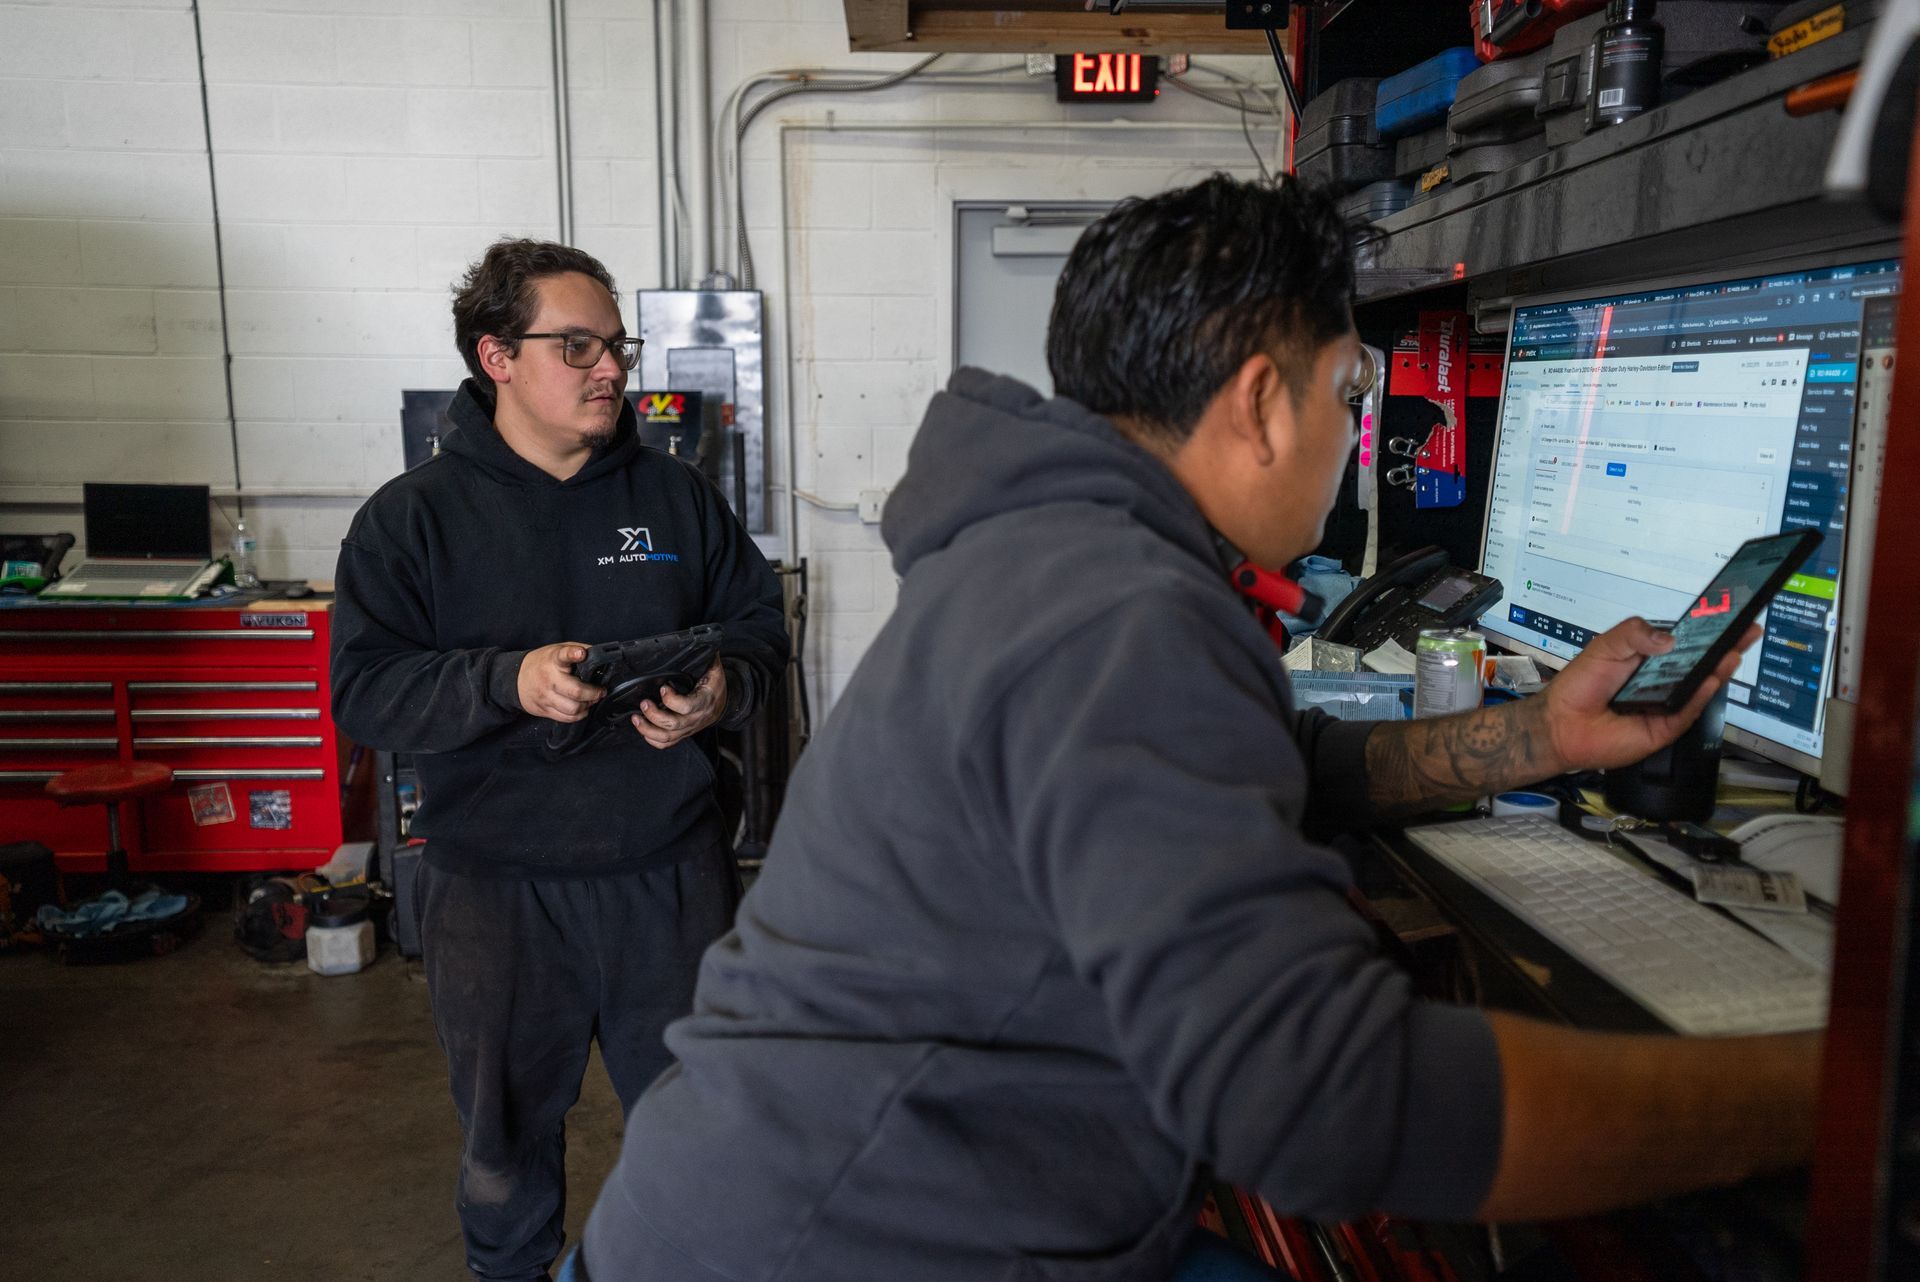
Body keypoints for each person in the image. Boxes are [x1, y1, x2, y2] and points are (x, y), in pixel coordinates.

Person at [573, 176, 1821, 1282]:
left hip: (797, 1203)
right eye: (1351, 390)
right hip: (830, 1243)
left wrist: (1540, 735)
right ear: (1263, 403)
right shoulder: (1118, 613)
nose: (1353, 434)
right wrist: (1829, 1088)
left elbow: (1281, 768)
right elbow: (1335, 1101)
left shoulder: (1059, 557)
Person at [330, 239, 788, 1282]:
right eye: (576, 346)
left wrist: (723, 689)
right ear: (496, 356)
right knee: (505, 1147)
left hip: (668, 880)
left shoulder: (676, 500)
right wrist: (507, 681)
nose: (610, 368)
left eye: (617, 346)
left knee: (703, 1140)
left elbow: (761, 631)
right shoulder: (411, 521)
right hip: (496, 895)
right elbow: (367, 691)